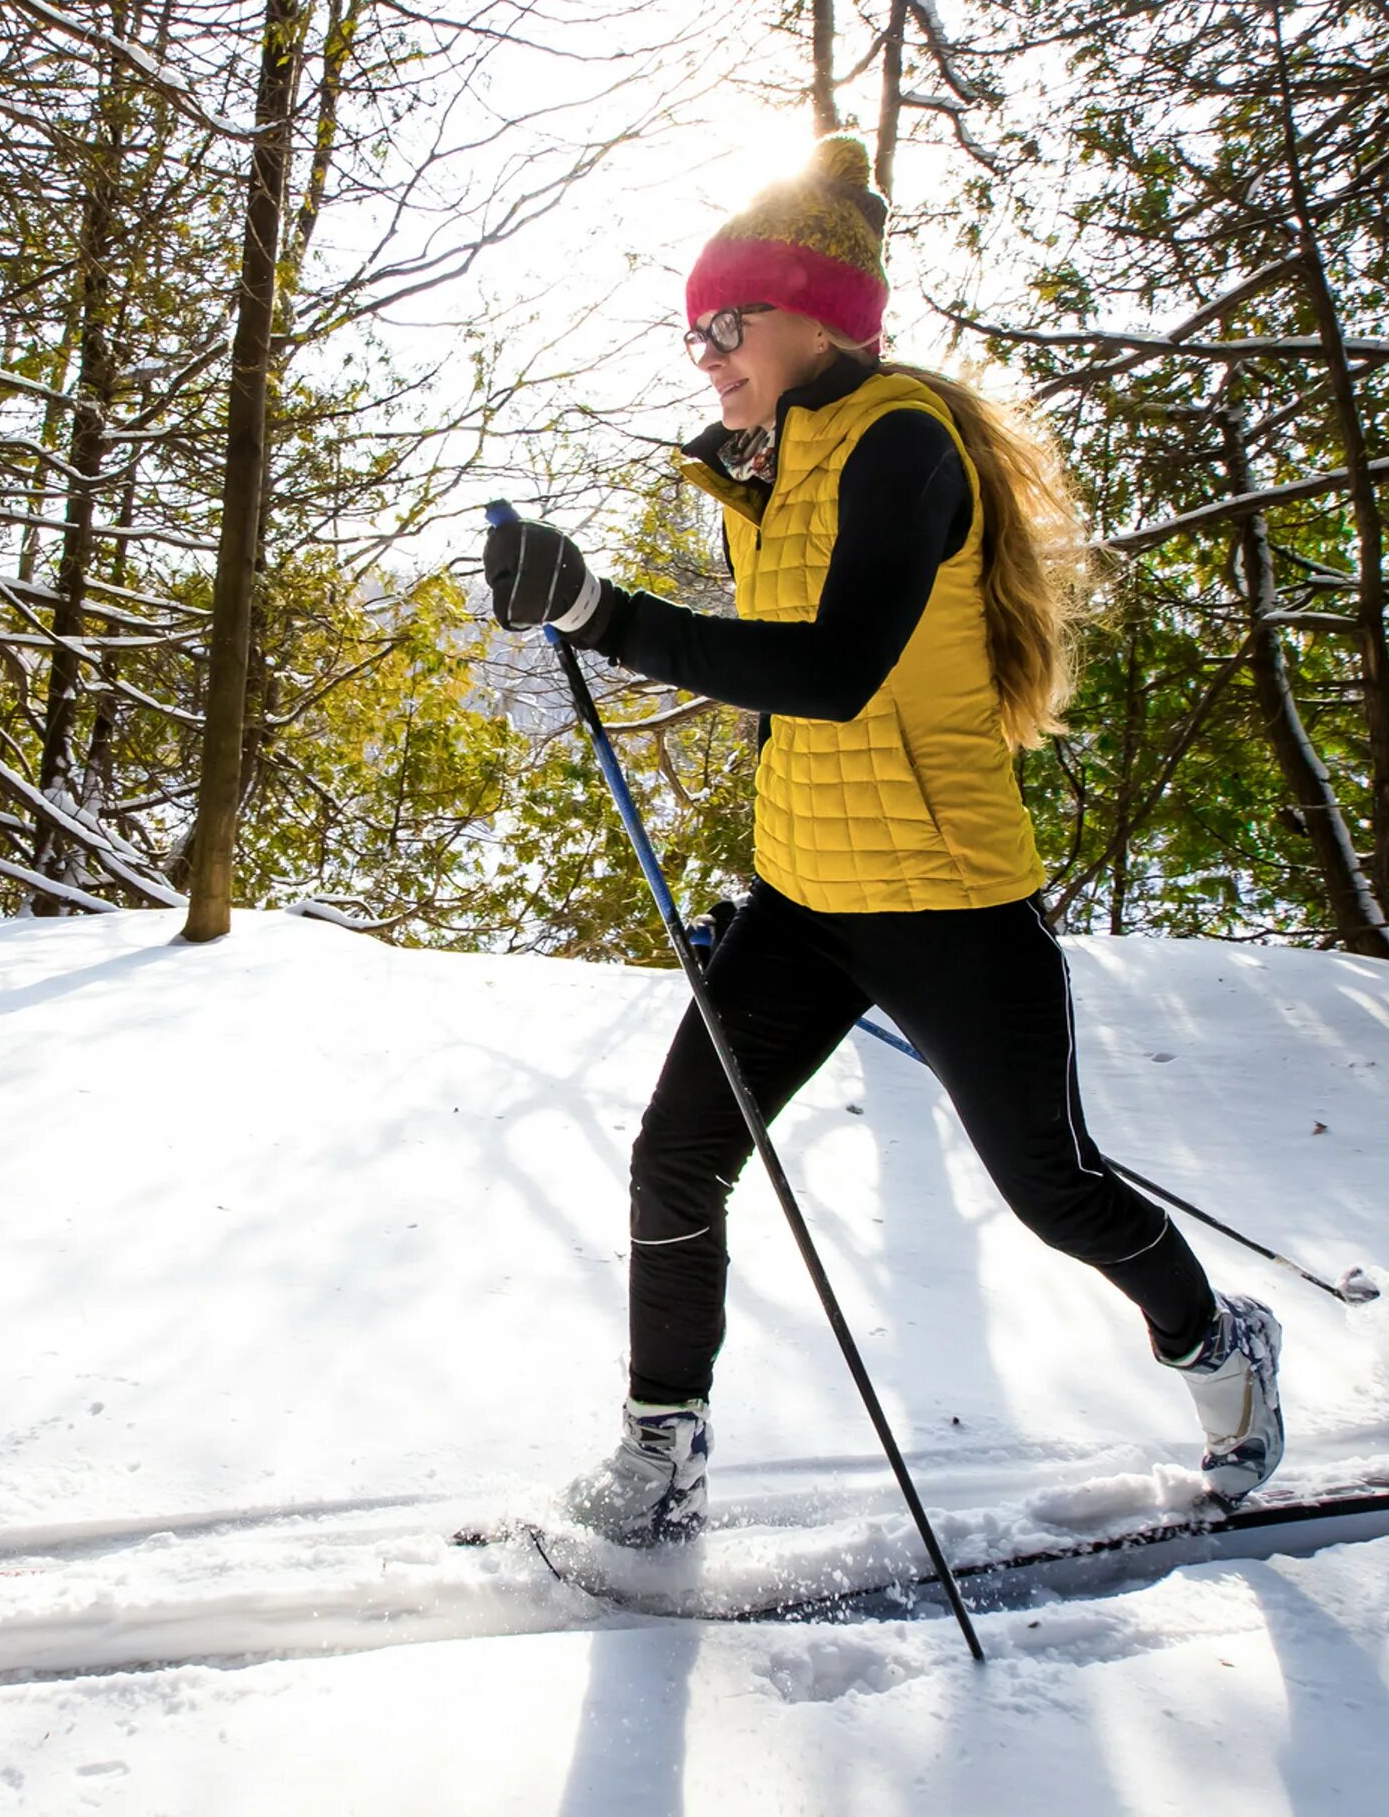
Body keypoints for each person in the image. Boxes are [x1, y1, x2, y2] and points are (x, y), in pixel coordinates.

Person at [481, 134, 1282, 1546]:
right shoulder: (775, 467)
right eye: (693, 333)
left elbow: (839, 669)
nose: (707, 355)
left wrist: (603, 614)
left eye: (727, 324)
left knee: (1055, 1191)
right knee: (678, 1154)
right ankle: (662, 1460)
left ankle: (1217, 1344)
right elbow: (796, 713)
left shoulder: (904, 441)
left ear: (816, 316)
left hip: (952, 902)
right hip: (805, 896)